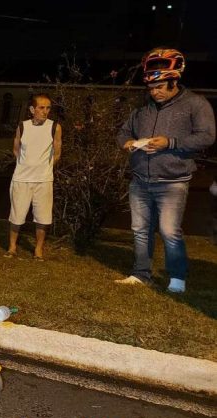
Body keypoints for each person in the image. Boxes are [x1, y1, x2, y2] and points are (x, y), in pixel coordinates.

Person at [115, 48, 215, 292]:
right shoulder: (143, 109)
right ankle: (141, 274)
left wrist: (170, 142)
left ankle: (177, 278)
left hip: (173, 181)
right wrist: (126, 142)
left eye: (160, 86)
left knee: (169, 231)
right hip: (139, 179)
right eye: (150, 88)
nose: (154, 92)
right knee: (140, 230)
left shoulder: (195, 104)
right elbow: (124, 132)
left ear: (174, 80)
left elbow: (207, 137)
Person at [5, 94, 62, 260]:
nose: (45, 111)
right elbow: (16, 149)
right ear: (32, 109)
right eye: (41, 108)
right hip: (21, 179)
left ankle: (38, 250)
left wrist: (44, 168)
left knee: (42, 217)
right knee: (17, 215)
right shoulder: (23, 126)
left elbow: (57, 153)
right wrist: (24, 165)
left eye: (48, 108)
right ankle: (12, 247)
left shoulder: (55, 127)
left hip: (43, 180)